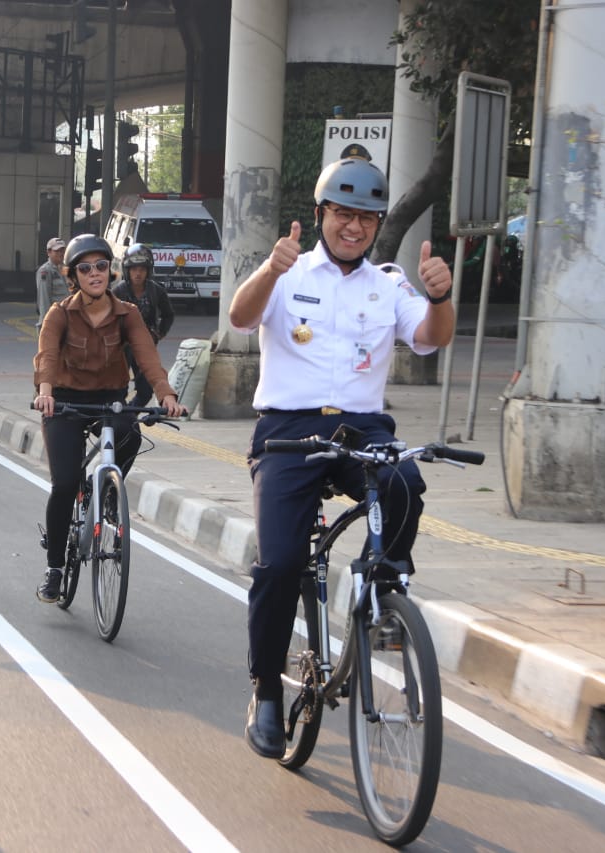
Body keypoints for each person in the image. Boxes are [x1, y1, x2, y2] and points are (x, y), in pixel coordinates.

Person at [226, 158, 455, 759]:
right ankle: (267, 690)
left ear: (377, 223)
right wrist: (268, 273)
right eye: (343, 214)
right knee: (277, 567)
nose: (354, 227)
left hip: (361, 429)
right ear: (322, 214)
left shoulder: (388, 283)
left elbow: (430, 338)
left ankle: (382, 587)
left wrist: (441, 297)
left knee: (405, 481)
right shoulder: (288, 270)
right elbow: (240, 318)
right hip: (289, 431)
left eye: (366, 217)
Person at [31, 233, 185, 603]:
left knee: (131, 434)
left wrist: (166, 394)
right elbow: (47, 356)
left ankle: (108, 495)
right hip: (65, 403)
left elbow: (147, 356)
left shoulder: (127, 314)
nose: (95, 273)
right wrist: (46, 393)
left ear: (109, 270)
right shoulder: (59, 313)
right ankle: (55, 568)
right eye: (85, 268)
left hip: (109, 400)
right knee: (65, 484)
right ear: (73, 276)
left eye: (101, 266)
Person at [111, 243, 175, 406]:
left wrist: (158, 334)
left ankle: (131, 415)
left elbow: (168, 315)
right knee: (117, 389)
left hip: (146, 346)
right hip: (122, 347)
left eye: (142, 269)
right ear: (127, 270)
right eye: (133, 269)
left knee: (146, 389)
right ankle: (120, 416)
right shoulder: (118, 292)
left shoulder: (157, 291)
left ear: (148, 271)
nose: (138, 273)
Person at [35, 236, 66, 327]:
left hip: (66, 318)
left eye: (62, 250)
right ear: (49, 252)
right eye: (57, 251)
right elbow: (44, 299)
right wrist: (47, 323)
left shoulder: (64, 268)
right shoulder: (45, 271)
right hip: (54, 320)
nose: (61, 253)